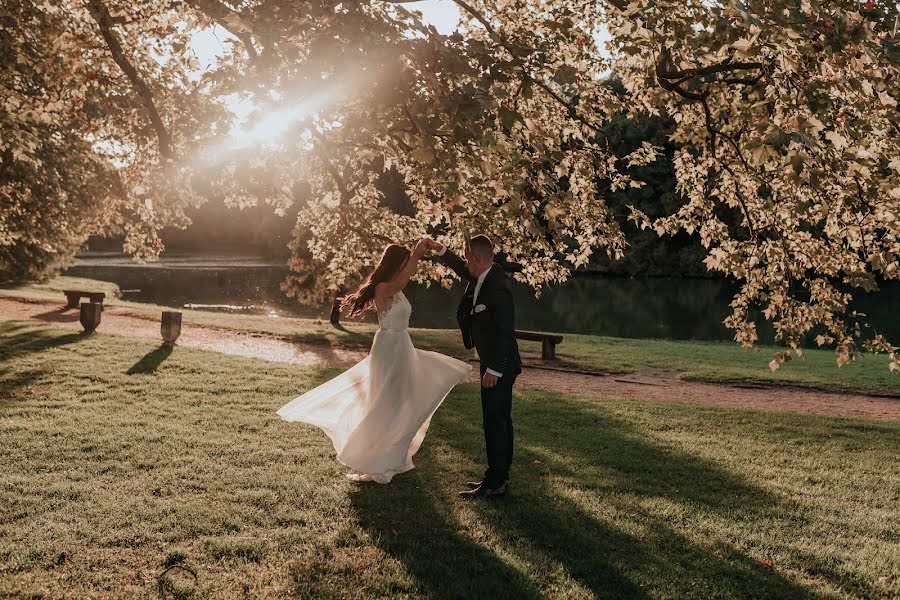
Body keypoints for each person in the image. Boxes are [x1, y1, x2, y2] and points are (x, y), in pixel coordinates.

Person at [276, 241, 471, 483]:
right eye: (403, 263)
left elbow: (401, 287)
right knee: (385, 402)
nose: (405, 268)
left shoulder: (396, 289)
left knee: (401, 401)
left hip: (402, 346)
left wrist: (415, 257)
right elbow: (400, 282)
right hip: (388, 349)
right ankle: (375, 459)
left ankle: (394, 457)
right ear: (396, 264)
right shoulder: (383, 288)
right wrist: (418, 255)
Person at [427, 235, 521, 498]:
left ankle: (495, 482)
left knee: (496, 422)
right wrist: (441, 250)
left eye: (468, 259)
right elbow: (460, 267)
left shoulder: (498, 287)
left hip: (499, 365)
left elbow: (505, 332)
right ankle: (497, 477)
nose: (466, 264)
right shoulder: (483, 276)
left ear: (478, 259)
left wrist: (494, 370)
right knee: (498, 420)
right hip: (492, 361)